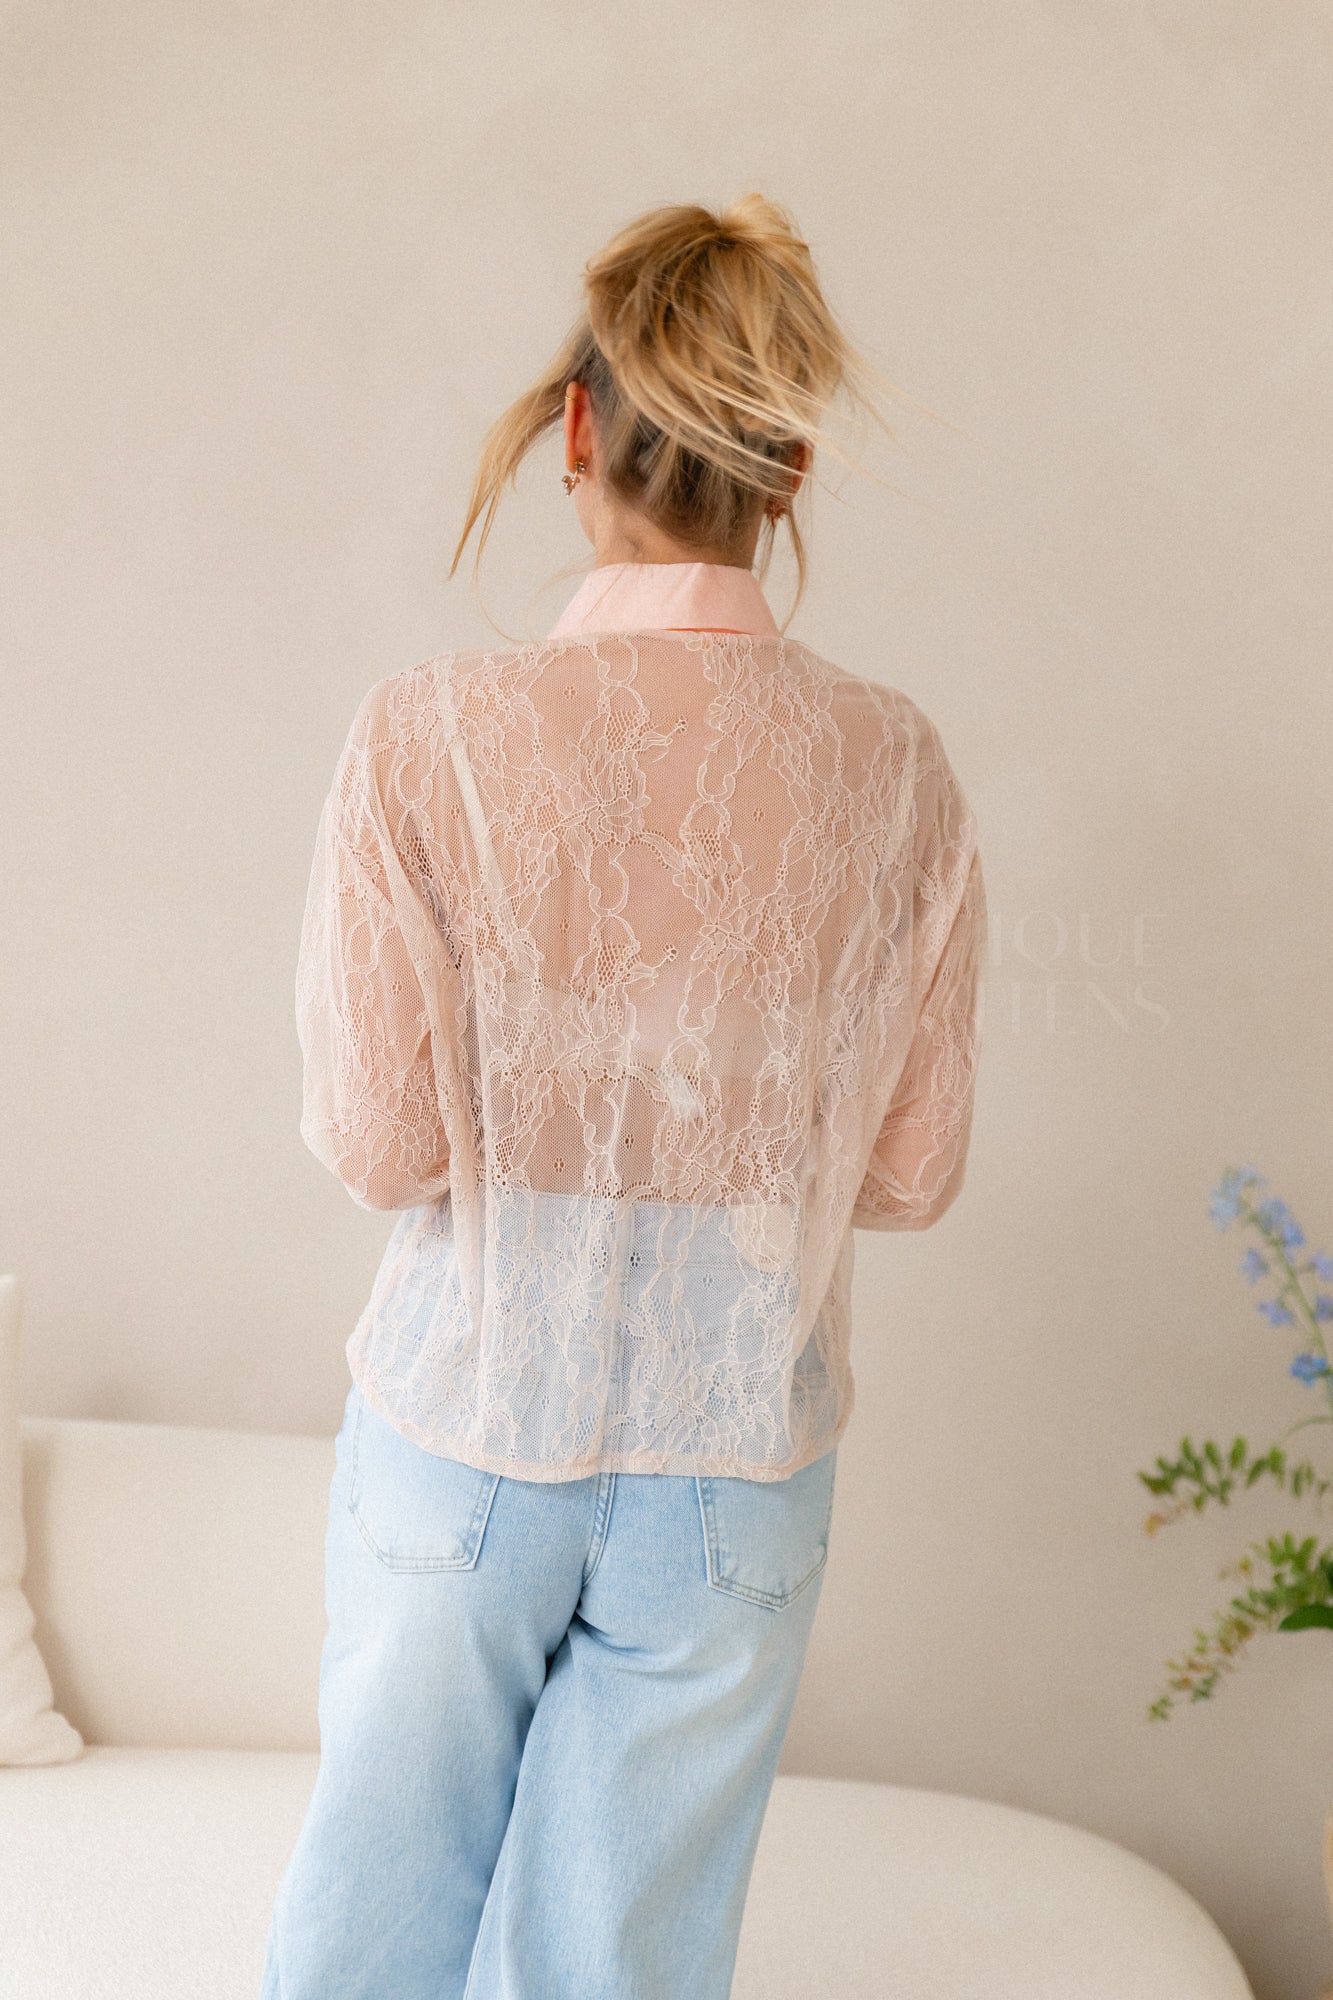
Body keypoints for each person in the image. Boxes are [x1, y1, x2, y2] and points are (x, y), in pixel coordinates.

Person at [261, 192, 988, 2000]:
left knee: (364, 1940)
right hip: (737, 1449)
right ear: (788, 467)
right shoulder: (894, 764)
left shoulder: (427, 729)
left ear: (574, 432)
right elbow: (909, 1172)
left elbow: (379, 1147)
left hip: (465, 1416)